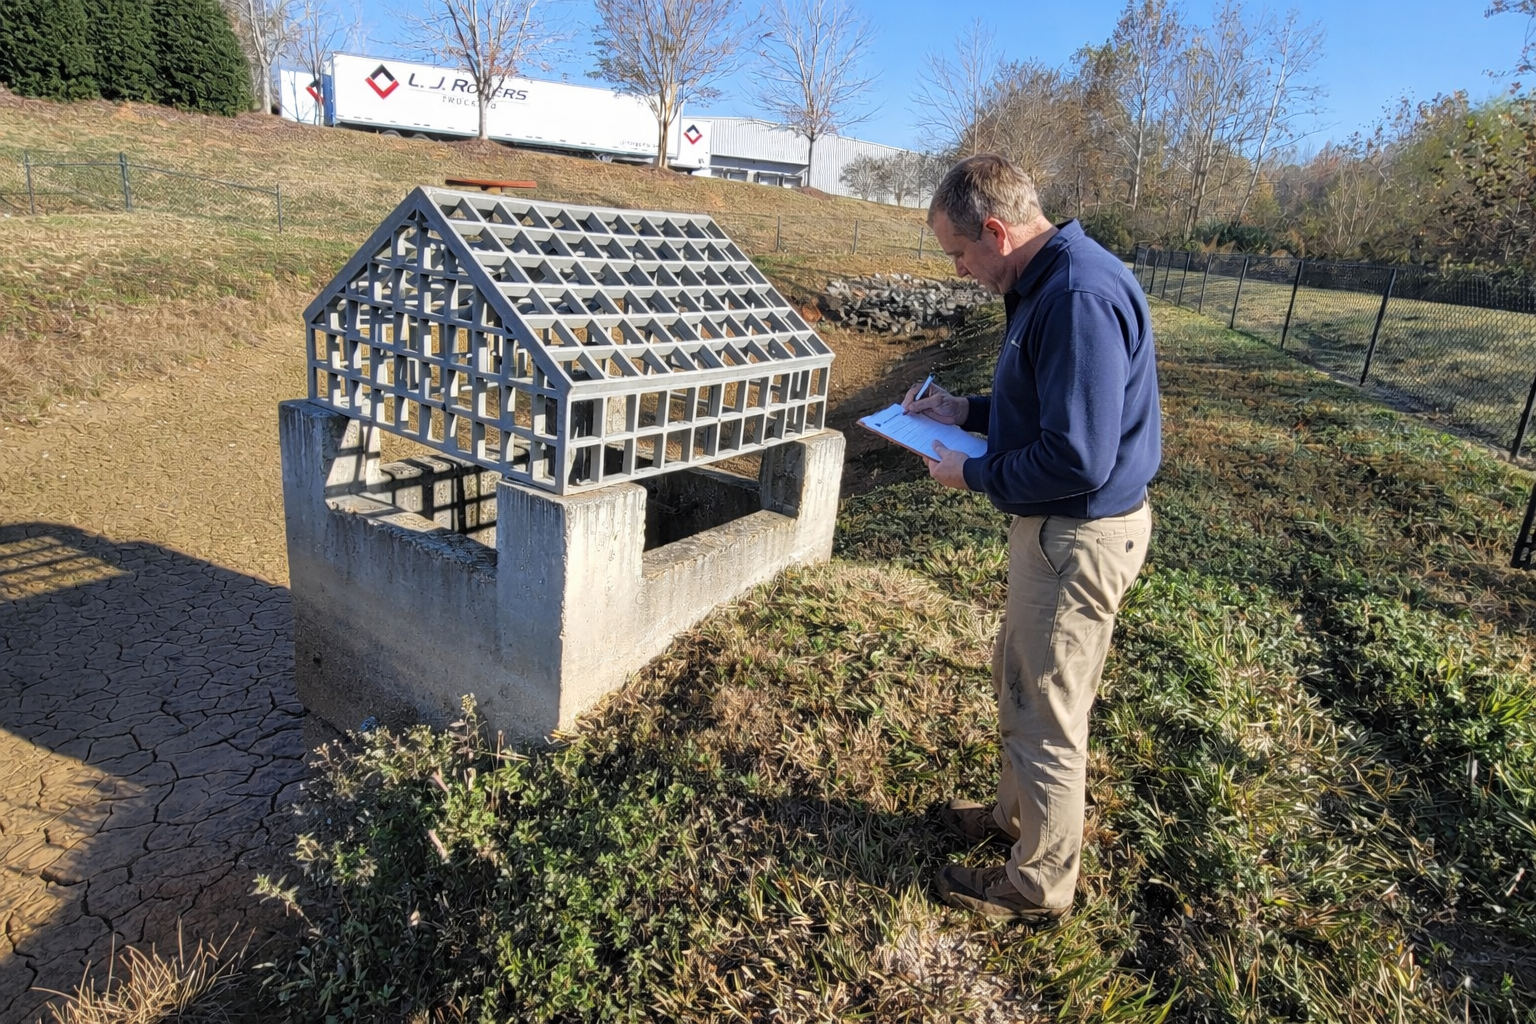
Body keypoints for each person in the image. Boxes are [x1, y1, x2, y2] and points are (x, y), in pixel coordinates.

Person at [902, 154, 1162, 925]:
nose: (959, 270)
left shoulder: (1076, 295)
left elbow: (1077, 456)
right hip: (1059, 529)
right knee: (1021, 678)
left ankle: (1037, 886)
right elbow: (1051, 407)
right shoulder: (1049, 280)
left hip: (1076, 534)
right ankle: (1015, 821)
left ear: (995, 230)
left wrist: (973, 474)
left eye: (959, 253)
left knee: (1046, 710)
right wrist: (967, 411)